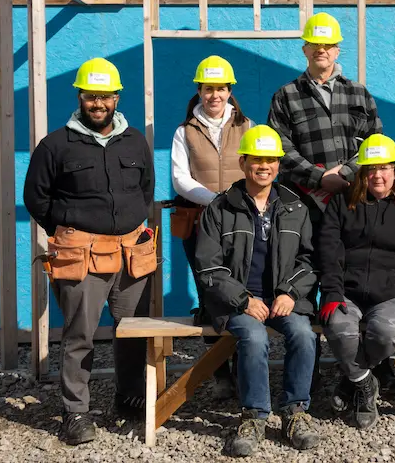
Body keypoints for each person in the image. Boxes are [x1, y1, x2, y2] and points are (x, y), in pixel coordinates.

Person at [23, 58, 155, 445]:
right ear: (80, 96)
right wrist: (64, 231)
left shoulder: (133, 141)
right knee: (80, 334)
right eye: (91, 96)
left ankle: (129, 398)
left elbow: (145, 189)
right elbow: (36, 197)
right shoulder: (55, 145)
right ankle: (75, 413)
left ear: (116, 97)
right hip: (82, 255)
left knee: (133, 332)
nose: (98, 103)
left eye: (105, 96)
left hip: (132, 252)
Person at [193, 125, 320, 457]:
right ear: (243, 162)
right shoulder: (219, 208)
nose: (264, 166)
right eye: (256, 159)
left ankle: (295, 412)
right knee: (254, 337)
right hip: (235, 302)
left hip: (281, 299)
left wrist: (291, 292)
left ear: (279, 164)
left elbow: (309, 261)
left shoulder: (296, 206)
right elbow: (208, 267)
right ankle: (254, 416)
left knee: (304, 335)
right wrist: (243, 300)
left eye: (271, 160)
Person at [316, 134, 395, 429]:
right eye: (371, 169)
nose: (378, 175)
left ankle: (350, 379)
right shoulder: (343, 202)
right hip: (348, 290)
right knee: (340, 329)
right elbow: (329, 250)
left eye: (384, 168)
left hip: (394, 291)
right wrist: (332, 291)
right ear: (361, 173)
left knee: (384, 334)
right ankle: (365, 386)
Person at [170, 55, 252, 397]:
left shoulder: (248, 127)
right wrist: (214, 200)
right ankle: (220, 372)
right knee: (209, 293)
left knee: (242, 290)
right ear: (199, 91)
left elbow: (259, 169)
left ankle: (243, 366)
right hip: (201, 223)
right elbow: (179, 178)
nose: (214, 95)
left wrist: (233, 202)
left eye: (220, 88)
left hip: (243, 223)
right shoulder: (184, 130)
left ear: (230, 90)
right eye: (207, 89)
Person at [267, 11, 382, 221]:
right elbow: (279, 148)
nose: (321, 50)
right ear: (305, 50)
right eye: (314, 44)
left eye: (327, 45)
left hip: (353, 199)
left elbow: (374, 143)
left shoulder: (358, 93)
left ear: (337, 51)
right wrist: (319, 178)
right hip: (302, 204)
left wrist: (345, 173)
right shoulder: (286, 95)